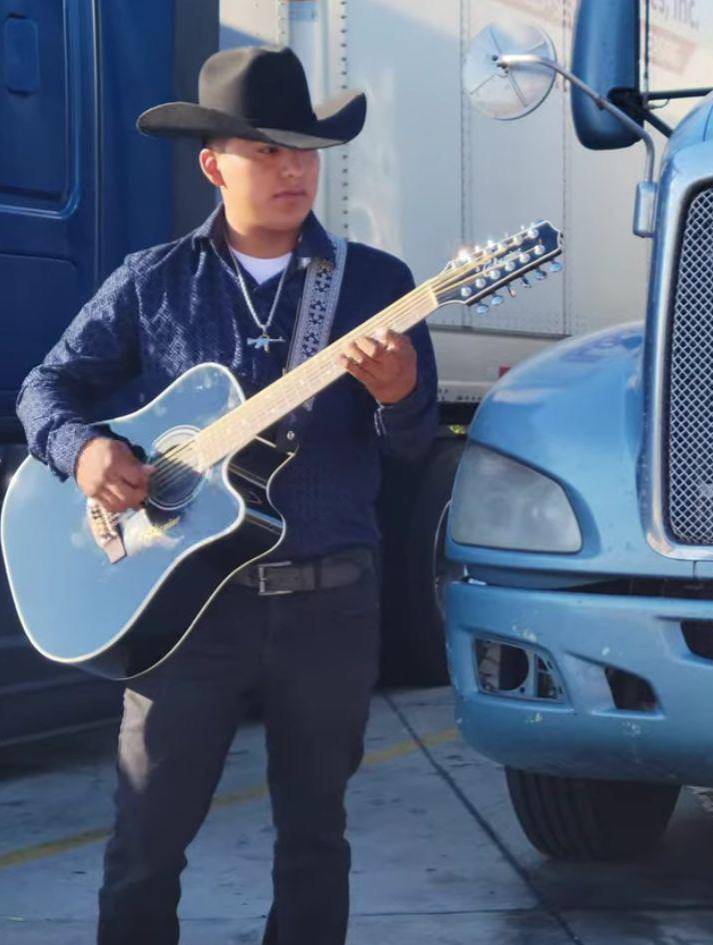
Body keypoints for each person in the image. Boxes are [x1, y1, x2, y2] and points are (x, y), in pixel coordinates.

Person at [15, 45, 438, 945]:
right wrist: (84, 451)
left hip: (330, 605)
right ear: (214, 165)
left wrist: (402, 395)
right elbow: (43, 387)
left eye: (304, 149)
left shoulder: (375, 288)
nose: (293, 169)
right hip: (185, 618)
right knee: (144, 844)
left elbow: (412, 450)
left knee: (315, 840)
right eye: (266, 150)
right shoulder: (153, 280)